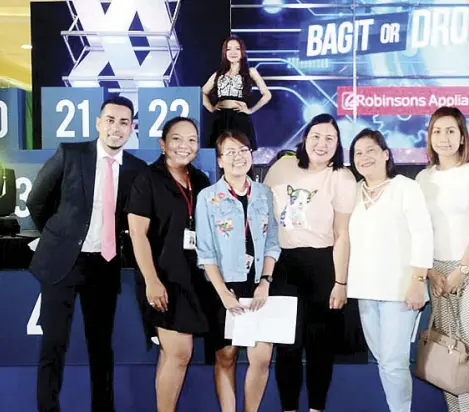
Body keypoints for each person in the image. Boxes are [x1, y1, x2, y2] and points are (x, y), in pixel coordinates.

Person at [27, 96, 147, 412]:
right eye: (110, 119)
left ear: (132, 128)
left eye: (124, 122)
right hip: (62, 262)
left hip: (104, 265)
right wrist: (61, 236)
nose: (116, 127)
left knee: (101, 347)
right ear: (98, 122)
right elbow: (37, 202)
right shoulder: (71, 153)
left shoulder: (137, 169)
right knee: (53, 344)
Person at [263, 113, 357, 412]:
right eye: (316, 136)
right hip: (283, 264)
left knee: (319, 347)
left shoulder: (341, 176)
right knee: (287, 346)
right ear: (305, 138)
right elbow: (262, 217)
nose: (322, 143)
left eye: (330, 138)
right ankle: (288, 408)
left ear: (338, 144)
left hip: (323, 265)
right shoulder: (282, 167)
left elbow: (342, 234)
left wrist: (340, 282)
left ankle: (317, 408)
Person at [126, 116, 212, 412]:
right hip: (161, 278)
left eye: (191, 140)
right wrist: (151, 280)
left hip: (192, 278)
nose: (184, 146)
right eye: (176, 139)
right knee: (179, 352)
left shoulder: (200, 180)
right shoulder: (147, 180)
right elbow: (137, 234)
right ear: (163, 144)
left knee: (172, 354)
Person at [415, 106, 469, 412]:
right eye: (437, 131)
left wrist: (462, 269)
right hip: (439, 271)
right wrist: (433, 272)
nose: (444, 138)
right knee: (447, 346)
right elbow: (421, 231)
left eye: (451, 131)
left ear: (462, 136)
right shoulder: (423, 179)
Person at [346, 129, 433, 412]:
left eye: (371, 150)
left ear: (386, 155)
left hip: (400, 290)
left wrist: (418, 280)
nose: (364, 157)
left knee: (394, 363)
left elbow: (423, 234)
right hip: (364, 290)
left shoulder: (405, 188)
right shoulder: (353, 192)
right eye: (358, 153)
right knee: (384, 361)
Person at [195, 130, 281, 412]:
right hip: (224, 289)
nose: (238, 157)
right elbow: (205, 252)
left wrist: (265, 282)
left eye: (243, 150)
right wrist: (223, 295)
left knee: (261, 357)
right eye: (230, 152)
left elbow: (272, 243)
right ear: (219, 161)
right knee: (226, 357)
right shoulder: (208, 197)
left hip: (258, 286)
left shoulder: (264, 194)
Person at [202, 35, 271, 150]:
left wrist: (251, 110)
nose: (233, 52)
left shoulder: (251, 72)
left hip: (240, 118)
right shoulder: (218, 74)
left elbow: (267, 95)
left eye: (237, 49)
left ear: (242, 51)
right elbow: (202, 93)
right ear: (225, 52)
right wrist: (211, 108)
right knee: (220, 153)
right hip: (221, 119)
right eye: (229, 49)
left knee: (241, 150)